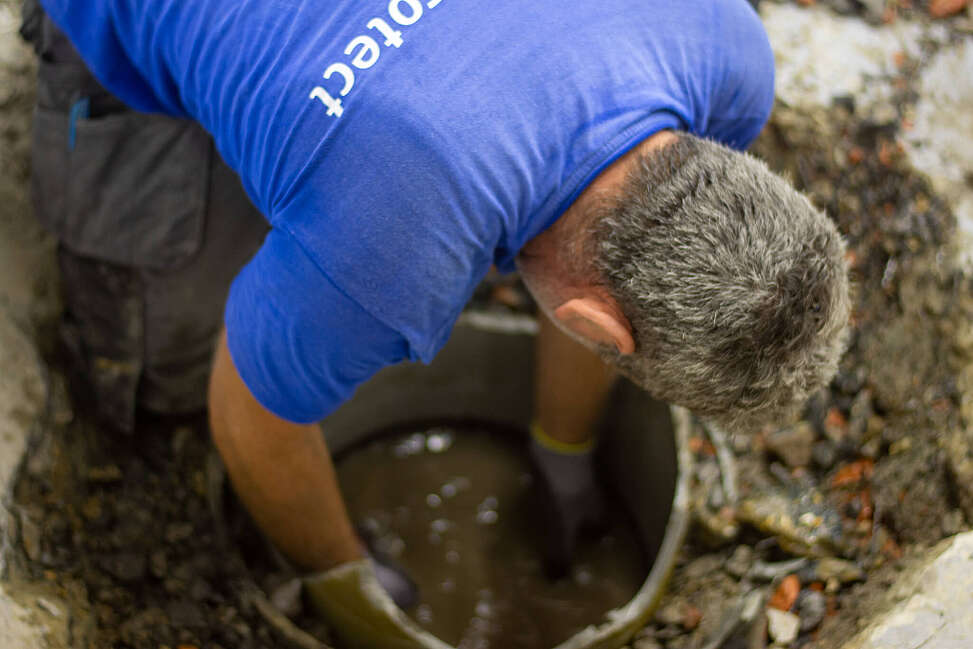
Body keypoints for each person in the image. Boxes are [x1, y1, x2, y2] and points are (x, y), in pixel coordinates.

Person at [24, 0, 850, 642]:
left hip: (374, 101)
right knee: (169, 373)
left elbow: (616, 265)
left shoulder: (722, 46)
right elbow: (248, 419)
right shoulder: (390, 251)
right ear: (597, 329)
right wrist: (349, 589)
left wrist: (564, 451)